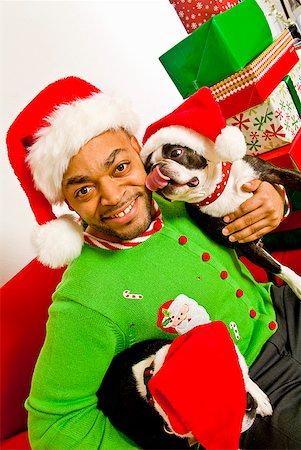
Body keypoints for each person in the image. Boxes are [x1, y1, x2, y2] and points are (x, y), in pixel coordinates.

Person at [6, 76, 300, 450]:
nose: (113, 196)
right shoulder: (85, 297)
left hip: (284, 308)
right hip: (254, 396)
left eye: (119, 168)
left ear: (136, 146)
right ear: (65, 202)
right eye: (84, 189)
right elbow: (54, 421)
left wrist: (274, 200)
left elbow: (247, 195)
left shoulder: (178, 193)